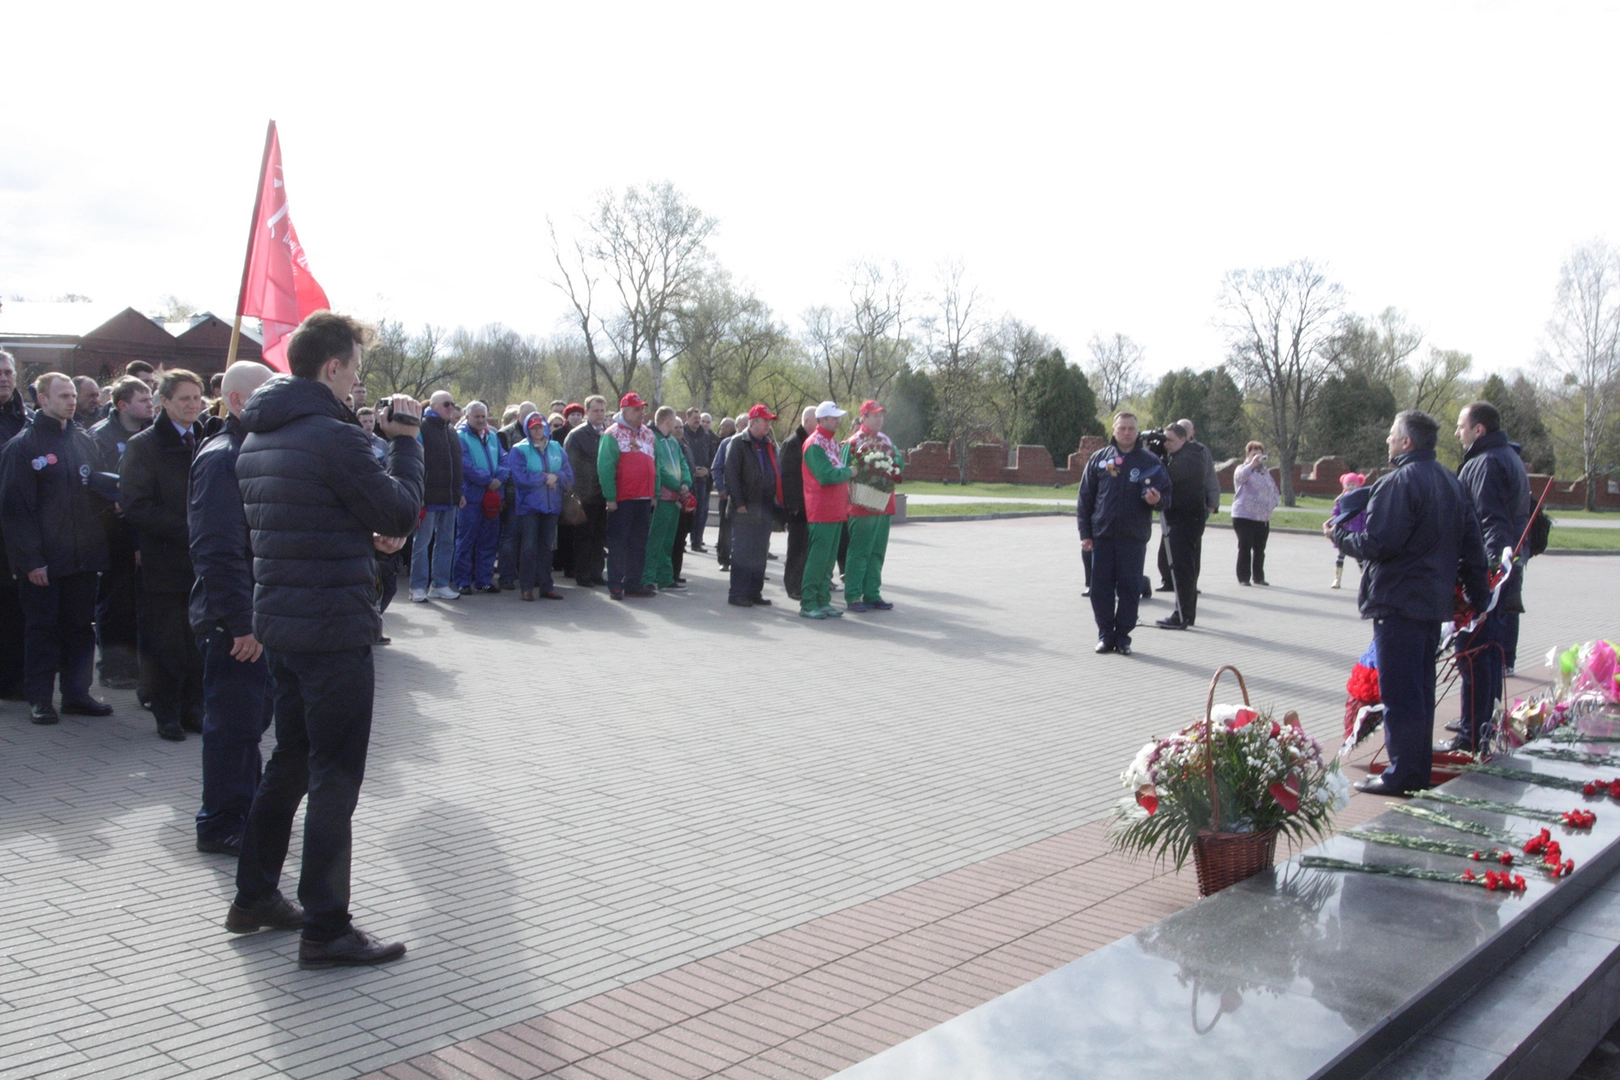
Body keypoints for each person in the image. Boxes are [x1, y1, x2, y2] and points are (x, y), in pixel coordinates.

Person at [231, 310, 424, 966]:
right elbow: (399, 508)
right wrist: (407, 443)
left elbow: (308, 517)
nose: (357, 384)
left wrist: (363, 536)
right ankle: (326, 927)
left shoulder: (260, 434)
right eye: (354, 371)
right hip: (332, 629)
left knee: (290, 761)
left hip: (284, 623)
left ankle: (254, 895)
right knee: (334, 779)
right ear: (333, 366)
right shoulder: (333, 436)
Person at [1327, 410, 1488, 795]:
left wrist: (1338, 537)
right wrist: (1477, 597)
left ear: (1407, 441)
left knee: (1400, 692)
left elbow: (1380, 542)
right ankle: (1415, 769)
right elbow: (1473, 546)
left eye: (1391, 435)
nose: (1387, 440)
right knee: (1419, 691)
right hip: (1431, 604)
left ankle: (1403, 774)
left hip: (1398, 601)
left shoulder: (1397, 483)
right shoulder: (1451, 482)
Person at [188, 361, 276, 854]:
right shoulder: (223, 458)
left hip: (254, 615)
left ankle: (244, 811)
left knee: (250, 722)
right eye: (267, 391)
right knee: (232, 727)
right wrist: (242, 622)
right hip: (233, 622)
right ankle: (222, 822)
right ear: (237, 400)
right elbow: (218, 550)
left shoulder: (250, 449)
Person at [0, 371, 112, 723]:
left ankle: (76, 694)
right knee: (42, 629)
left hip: (82, 557)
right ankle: (40, 698)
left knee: (80, 628)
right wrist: (31, 561)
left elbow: (98, 490)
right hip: (44, 562)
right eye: (62, 395)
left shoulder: (83, 440)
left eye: (73, 395)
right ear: (42, 399)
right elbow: (16, 512)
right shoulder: (22, 447)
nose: (71, 401)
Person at [120, 369, 209, 742]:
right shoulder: (144, 446)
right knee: (167, 644)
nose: (192, 405)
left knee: (198, 642)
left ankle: (193, 708)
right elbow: (135, 504)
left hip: (202, 563)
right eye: (184, 398)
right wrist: (188, 529)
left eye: (197, 398)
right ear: (165, 402)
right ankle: (167, 713)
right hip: (165, 562)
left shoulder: (207, 438)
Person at [1442, 401, 1532, 754]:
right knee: (1489, 653)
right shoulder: (1506, 456)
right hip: (1505, 569)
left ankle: (1472, 735)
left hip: (1488, 573)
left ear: (1478, 429)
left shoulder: (1486, 462)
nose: (1457, 432)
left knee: (1474, 654)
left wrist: (1486, 581)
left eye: (1461, 426)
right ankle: (1483, 723)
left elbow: (1490, 523)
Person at [1077, 412, 1169, 656]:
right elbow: (1085, 498)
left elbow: (1167, 497)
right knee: (1100, 589)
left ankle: (1123, 637)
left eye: (1131, 428)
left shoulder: (1149, 461)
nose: (1126, 433)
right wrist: (1085, 533)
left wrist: (1157, 500)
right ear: (1114, 430)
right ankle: (1105, 635)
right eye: (1122, 428)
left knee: (1130, 588)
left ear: (1137, 431)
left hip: (1133, 537)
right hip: (1102, 535)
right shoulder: (1099, 459)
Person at [87, 376, 152, 689]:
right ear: (123, 405)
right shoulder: (99, 436)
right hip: (112, 534)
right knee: (115, 601)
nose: (150, 405)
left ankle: (136, 665)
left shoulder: (151, 434)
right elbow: (92, 480)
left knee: (138, 603)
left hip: (144, 530)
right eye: (143, 400)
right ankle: (112, 667)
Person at [506, 411, 573, 600]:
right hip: (529, 507)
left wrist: (556, 477)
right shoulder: (519, 449)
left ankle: (546, 586)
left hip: (552, 505)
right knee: (528, 547)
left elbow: (569, 475)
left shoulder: (556, 447)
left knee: (546, 548)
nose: (537, 430)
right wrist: (544, 479)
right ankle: (526, 587)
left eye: (540, 427)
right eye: (533, 427)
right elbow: (519, 478)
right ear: (527, 429)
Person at [844, 400, 903, 612]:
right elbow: (845, 469)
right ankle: (853, 596)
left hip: (883, 504)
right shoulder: (854, 442)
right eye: (875, 415)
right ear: (864, 417)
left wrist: (891, 466)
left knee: (877, 552)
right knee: (859, 552)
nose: (880, 419)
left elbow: (899, 464)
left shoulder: (886, 440)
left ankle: (872, 593)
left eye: (881, 415)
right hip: (862, 505)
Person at [1155, 422, 1214, 630]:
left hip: (1186, 521)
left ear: (1183, 439)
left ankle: (1182, 616)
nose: (1166, 444)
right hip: (1182, 519)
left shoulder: (1191, 457)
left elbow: (1166, 477)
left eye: (1170, 440)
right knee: (1184, 569)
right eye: (1164, 440)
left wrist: (1154, 459)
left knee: (1183, 570)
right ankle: (1186, 614)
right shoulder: (1182, 455)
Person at [598, 392, 658, 600]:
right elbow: (605, 468)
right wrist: (610, 497)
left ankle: (634, 583)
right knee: (618, 543)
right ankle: (616, 584)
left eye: (642, 409)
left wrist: (654, 492)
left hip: (644, 497)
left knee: (639, 543)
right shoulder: (612, 434)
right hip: (622, 499)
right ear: (624, 411)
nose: (641, 412)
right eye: (636, 409)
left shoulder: (648, 434)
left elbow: (655, 464)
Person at [724, 405, 783, 607]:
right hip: (745, 507)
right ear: (753, 422)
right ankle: (738, 593)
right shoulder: (738, 442)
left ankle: (754, 591)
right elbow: (731, 475)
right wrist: (739, 503)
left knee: (759, 551)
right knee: (742, 551)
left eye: (769, 421)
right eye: (765, 421)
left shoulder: (768, 444)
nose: (768, 425)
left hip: (764, 506)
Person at [799, 402, 853, 620]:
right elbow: (825, 476)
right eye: (834, 418)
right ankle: (808, 602)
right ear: (821, 420)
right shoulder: (814, 444)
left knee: (828, 561)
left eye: (838, 417)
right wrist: (849, 472)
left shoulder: (831, 443)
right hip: (821, 510)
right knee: (818, 560)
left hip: (836, 510)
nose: (838, 421)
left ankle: (823, 600)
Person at [409, 391, 464, 603]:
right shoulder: (421, 428)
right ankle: (417, 586)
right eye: (446, 404)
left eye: (453, 404)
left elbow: (456, 464)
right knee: (422, 543)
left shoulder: (451, 430)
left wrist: (458, 492)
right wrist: (419, 492)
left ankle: (440, 584)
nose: (451, 408)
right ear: (432, 406)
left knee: (446, 542)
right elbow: (416, 462)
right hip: (428, 496)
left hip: (449, 496)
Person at [0, 350, 31, 700]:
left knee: (15, 606)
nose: (4, 378)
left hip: (22, 531)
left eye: (8, 372)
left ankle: (14, 677)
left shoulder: (28, 420)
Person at [454, 401, 508, 595]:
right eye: (476, 416)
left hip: (492, 496)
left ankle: (484, 580)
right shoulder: (460, 437)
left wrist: (500, 478)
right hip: (471, 496)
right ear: (467, 417)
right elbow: (465, 465)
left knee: (489, 540)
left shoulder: (492, 436)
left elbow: (505, 459)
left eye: (483, 416)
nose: (480, 420)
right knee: (466, 540)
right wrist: (488, 480)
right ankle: (462, 581)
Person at [643, 406, 693, 591]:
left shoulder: (672, 441)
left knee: (668, 541)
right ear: (668, 421)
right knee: (655, 540)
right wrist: (677, 485)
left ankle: (665, 577)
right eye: (675, 422)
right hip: (662, 497)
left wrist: (686, 482)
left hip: (675, 499)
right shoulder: (652, 440)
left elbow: (683, 463)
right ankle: (647, 578)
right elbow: (658, 469)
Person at [565, 395, 609, 588]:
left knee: (600, 537)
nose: (599, 414)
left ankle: (597, 573)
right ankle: (582, 574)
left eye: (602, 410)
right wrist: (579, 493)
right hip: (585, 495)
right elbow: (572, 465)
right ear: (587, 412)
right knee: (584, 537)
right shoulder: (577, 435)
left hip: (604, 494)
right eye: (595, 410)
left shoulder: (608, 433)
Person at [494, 402, 538, 591]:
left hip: (534, 494)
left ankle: (528, 575)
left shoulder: (539, 433)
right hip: (513, 493)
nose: (530, 420)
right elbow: (504, 465)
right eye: (526, 415)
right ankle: (506, 576)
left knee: (529, 538)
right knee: (509, 537)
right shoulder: (504, 434)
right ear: (518, 416)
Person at [778, 406, 816, 601]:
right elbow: (786, 476)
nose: (820, 424)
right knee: (796, 548)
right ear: (807, 420)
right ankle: (792, 585)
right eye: (817, 420)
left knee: (806, 548)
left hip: (811, 505)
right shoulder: (792, 443)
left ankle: (803, 583)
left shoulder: (811, 442)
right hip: (798, 507)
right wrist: (792, 505)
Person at [1231, 440, 1279, 586]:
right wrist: (1251, 464)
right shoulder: (1242, 468)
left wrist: (1273, 502)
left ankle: (1259, 577)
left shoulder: (1265, 473)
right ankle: (1244, 577)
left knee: (1260, 548)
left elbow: (1273, 489)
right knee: (1245, 547)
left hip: (1262, 517)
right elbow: (1240, 478)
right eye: (1254, 454)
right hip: (1244, 515)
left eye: (1260, 454)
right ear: (1248, 455)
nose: (1257, 457)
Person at [683, 408, 720, 553]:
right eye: (695, 418)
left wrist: (707, 470)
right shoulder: (682, 433)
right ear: (687, 418)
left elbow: (713, 456)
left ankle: (697, 542)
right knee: (686, 511)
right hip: (687, 478)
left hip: (703, 479)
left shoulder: (706, 436)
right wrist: (692, 470)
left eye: (699, 418)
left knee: (701, 512)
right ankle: (681, 542)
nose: (698, 421)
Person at [1329, 472, 1367, 590]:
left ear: (1358, 485)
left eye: (1353, 484)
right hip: (1344, 532)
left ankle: (1364, 580)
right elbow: (1336, 513)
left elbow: (1364, 516)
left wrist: (1364, 528)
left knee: (1359, 557)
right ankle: (1337, 579)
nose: (1350, 487)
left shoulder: (1360, 500)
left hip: (1356, 533)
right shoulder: (1341, 500)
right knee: (1340, 556)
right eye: (1348, 484)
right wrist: (1337, 522)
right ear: (1344, 485)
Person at [711, 416, 738, 570]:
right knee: (726, 528)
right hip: (728, 494)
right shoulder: (727, 443)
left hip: (747, 496)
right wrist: (720, 488)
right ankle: (724, 559)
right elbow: (717, 467)